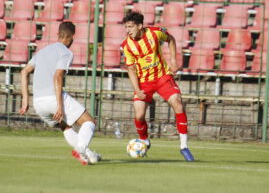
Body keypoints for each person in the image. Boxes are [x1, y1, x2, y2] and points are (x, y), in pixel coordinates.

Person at [19, 21, 101, 165]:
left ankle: (89, 155)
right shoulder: (66, 52)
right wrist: (60, 106)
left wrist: (25, 101)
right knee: (89, 122)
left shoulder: (42, 51)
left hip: (38, 103)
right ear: (73, 37)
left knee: (65, 126)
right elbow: (57, 76)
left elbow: (24, 71)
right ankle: (81, 148)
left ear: (58, 34)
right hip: (53, 99)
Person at [121, 11, 194, 161]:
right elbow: (131, 69)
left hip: (162, 77)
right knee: (139, 115)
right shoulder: (127, 45)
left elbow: (171, 39)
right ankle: (145, 140)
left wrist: (173, 61)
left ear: (140, 26)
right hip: (143, 82)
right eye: (126, 27)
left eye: (130, 27)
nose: (128, 30)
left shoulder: (155, 33)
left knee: (178, 104)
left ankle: (184, 147)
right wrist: (137, 90)